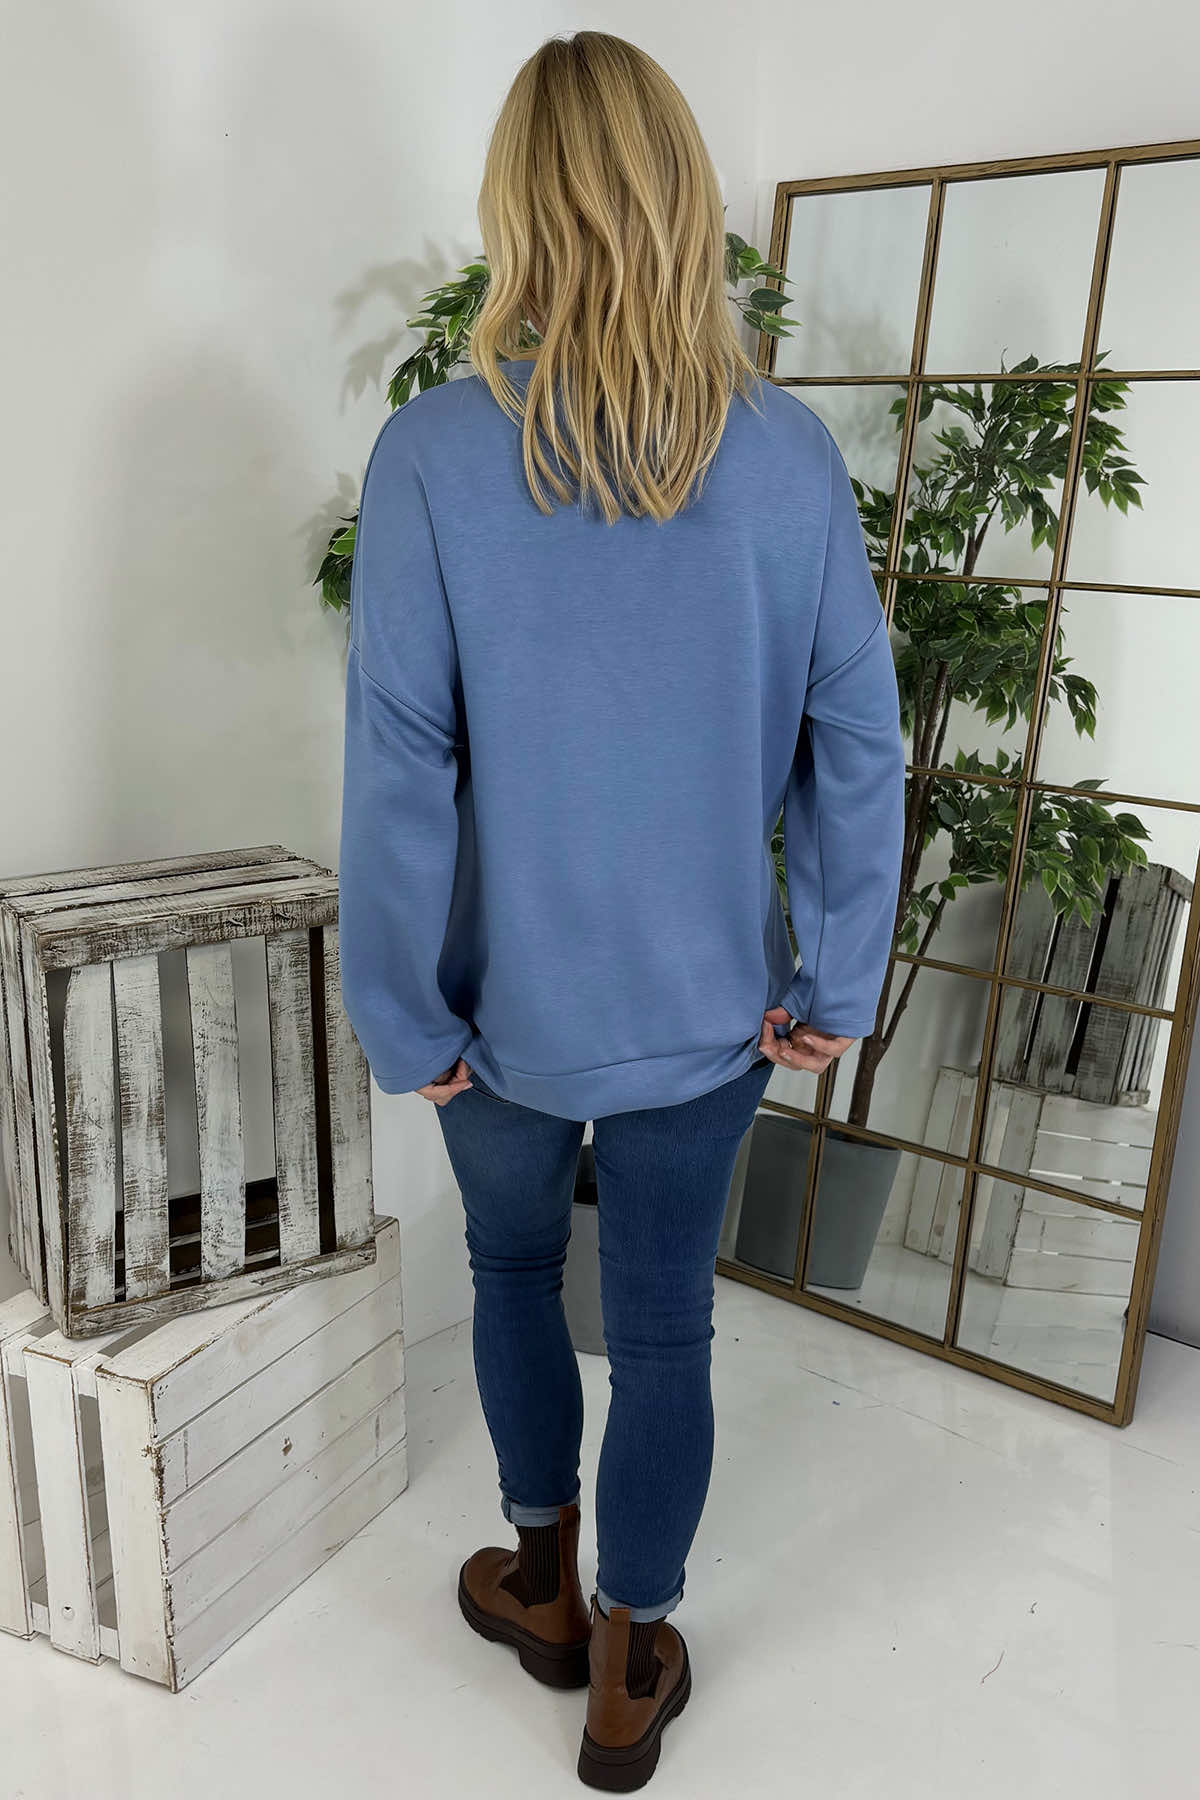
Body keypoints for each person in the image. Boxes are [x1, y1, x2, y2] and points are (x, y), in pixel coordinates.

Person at [337, 29, 906, 1793]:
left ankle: (542, 1578)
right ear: (684, 198)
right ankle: (627, 1663)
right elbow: (857, 742)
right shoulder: (791, 459)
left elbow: (399, 764)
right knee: (664, 1331)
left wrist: (401, 1011)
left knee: (513, 1270)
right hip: (709, 1011)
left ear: (517, 201)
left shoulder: (432, 455)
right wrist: (841, 972)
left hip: (496, 1016)